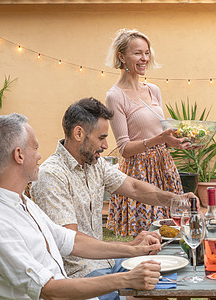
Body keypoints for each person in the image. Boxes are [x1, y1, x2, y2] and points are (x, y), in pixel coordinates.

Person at [0, 113, 162, 300]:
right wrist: (126, 279)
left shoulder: (22, 202)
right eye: (35, 147)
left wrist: (133, 248)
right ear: (19, 155)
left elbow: (70, 241)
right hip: (66, 290)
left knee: (159, 284)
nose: (39, 155)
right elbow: (50, 290)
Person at [30, 98, 196, 287]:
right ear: (78, 133)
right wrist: (130, 248)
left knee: (164, 280)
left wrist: (175, 199)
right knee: (148, 288)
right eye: (101, 137)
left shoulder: (95, 164)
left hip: (106, 263)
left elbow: (134, 188)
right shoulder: (52, 175)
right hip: (78, 275)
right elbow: (72, 242)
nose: (106, 145)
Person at [104, 28, 192, 237]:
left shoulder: (153, 90)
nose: (144, 58)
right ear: (121, 56)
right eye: (137, 53)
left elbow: (161, 131)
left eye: (146, 52)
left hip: (164, 164)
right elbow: (124, 149)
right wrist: (159, 138)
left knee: (173, 228)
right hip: (138, 171)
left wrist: (175, 141)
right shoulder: (115, 96)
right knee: (147, 234)